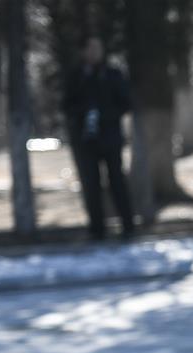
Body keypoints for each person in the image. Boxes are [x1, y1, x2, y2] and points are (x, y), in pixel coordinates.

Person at [63, 36, 135, 240]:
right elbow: (67, 105)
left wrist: (105, 114)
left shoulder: (112, 74)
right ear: (84, 51)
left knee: (117, 181)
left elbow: (125, 103)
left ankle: (128, 225)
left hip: (110, 137)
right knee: (91, 185)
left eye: (99, 47)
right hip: (87, 140)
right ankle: (97, 229)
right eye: (91, 48)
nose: (96, 52)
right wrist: (84, 114)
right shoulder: (77, 76)